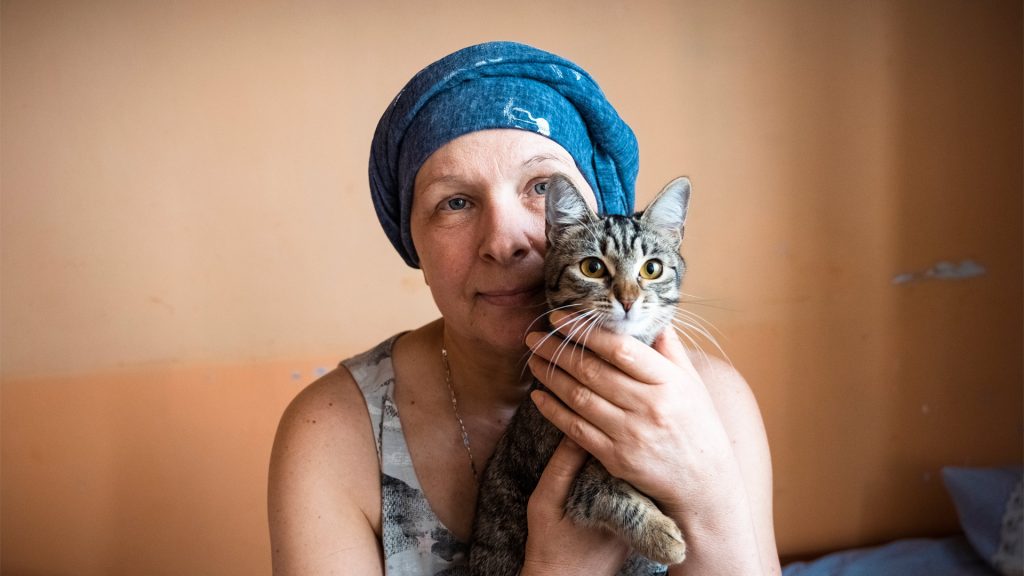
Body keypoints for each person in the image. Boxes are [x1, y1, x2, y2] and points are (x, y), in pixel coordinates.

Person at [268, 41, 781, 576]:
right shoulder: (331, 434)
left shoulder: (715, 402)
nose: (505, 240)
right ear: (411, 240)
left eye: (541, 187)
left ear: (597, 213)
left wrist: (707, 492)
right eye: (456, 202)